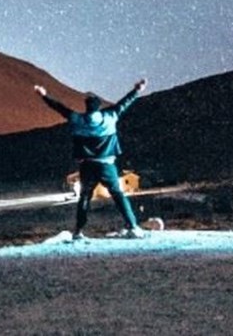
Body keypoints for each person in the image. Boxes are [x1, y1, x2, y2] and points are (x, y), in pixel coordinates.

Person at [34, 79, 148, 240]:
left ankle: (78, 231)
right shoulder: (110, 116)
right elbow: (124, 103)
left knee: (85, 197)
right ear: (99, 106)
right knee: (118, 195)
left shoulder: (77, 120)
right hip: (107, 165)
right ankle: (133, 226)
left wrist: (44, 95)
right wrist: (137, 90)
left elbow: (60, 108)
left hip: (87, 167)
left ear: (86, 107)